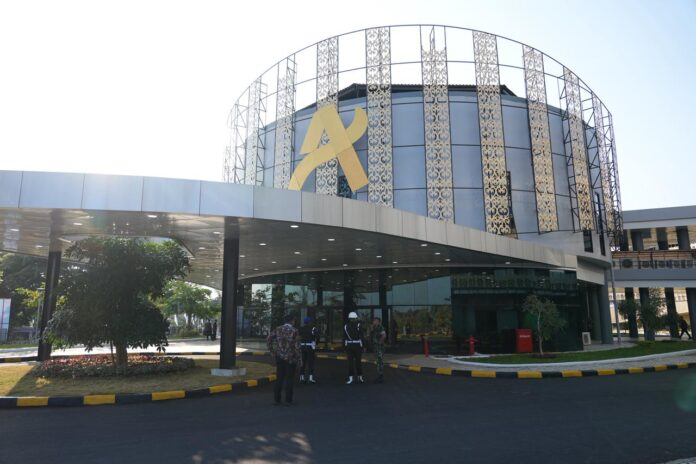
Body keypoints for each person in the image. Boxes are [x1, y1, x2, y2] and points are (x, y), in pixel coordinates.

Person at [267, 314, 302, 406]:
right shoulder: (294, 331)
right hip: (291, 358)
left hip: (279, 356)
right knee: (289, 379)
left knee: (279, 378)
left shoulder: (278, 329)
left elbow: (269, 339)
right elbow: (297, 347)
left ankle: (277, 399)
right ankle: (288, 400)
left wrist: (271, 351)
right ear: (292, 321)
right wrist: (299, 359)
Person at [344, 311, 365, 384]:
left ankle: (350, 378)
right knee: (358, 362)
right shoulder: (359, 325)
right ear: (355, 318)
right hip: (357, 345)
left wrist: (345, 347)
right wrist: (364, 346)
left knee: (350, 362)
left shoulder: (346, 326)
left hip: (349, 345)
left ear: (349, 318)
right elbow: (362, 336)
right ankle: (360, 377)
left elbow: (344, 337)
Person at [299, 316, 318, 384]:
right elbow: (317, 337)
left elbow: (299, 336)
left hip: (302, 346)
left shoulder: (301, 328)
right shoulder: (313, 328)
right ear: (310, 322)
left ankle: (302, 378)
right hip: (310, 347)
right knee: (310, 362)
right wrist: (315, 343)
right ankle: (310, 378)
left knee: (302, 362)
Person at [371, 317, 387, 383]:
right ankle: (380, 375)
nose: (373, 322)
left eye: (374, 320)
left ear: (378, 321)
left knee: (379, 361)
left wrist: (380, 342)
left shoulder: (380, 327)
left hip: (380, 347)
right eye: (373, 320)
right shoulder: (374, 327)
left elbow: (384, 335)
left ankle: (381, 376)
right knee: (378, 361)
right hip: (376, 347)